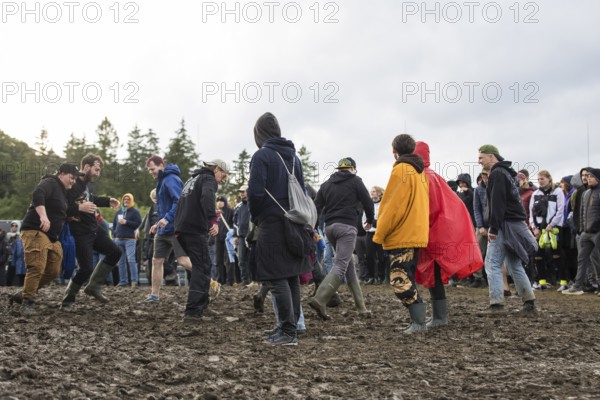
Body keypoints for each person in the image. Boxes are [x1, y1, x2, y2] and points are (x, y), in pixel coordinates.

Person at [247, 112, 312, 346]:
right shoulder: (294, 158)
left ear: (259, 134)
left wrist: (257, 217)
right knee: (291, 276)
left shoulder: (262, 155)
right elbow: (302, 191)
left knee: (275, 277)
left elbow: (255, 192)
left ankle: (287, 331)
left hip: (272, 223)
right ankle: (290, 327)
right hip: (294, 222)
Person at [413, 142, 483, 328]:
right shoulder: (432, 176)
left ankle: (439, 317)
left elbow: (429, 208)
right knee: (432, 274)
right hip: (439, 230)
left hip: (432, 232)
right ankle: (438, 316)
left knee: (433, 274)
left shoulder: (423, 177)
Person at [373, 134, 430, 334]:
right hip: (416, 233)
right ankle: (418, 321)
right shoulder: (419, 171)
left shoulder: (401, 170)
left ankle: (419, 322)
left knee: (399, 280)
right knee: (407, 277)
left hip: (402, 234)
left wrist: (379, 234)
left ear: (394, 150)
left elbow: (392, 207)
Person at [308, 157, 374, 320]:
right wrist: (370, 220)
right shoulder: (355, 181)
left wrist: (314, 227)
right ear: (352, 169)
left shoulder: (326, 184)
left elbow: (316, 207)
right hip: (347, 228)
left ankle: (361, 307)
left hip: (330, 229)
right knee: (341, 264)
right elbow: (368, 202)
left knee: (348, 266)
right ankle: (320, 298)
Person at [12, 164, 81, 314]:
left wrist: (69, 217)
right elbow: (38, 194)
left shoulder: (63, 193)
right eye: (72, 177)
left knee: (54, 269)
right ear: (62, 174)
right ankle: (27, 304)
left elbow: (57, 210)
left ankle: (24, 293)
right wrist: (43, 216)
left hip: (52, 237)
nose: (73, 181)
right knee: (37, 266)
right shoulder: (50, 182)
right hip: (35, 230)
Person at [477, 145, 537, 314]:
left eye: (481, 157)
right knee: (513, 263)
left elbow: (498, 203)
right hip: (514, 223)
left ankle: (497, 304)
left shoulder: (497, 173)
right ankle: (529, 302)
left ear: (491, 157)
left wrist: (493, 228)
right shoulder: (507, 173)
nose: (479, 161)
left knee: (492, 263)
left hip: (504, 225)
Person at [61, 154, 123, 311]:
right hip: (80, 232)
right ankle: (68, 300)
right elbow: (61, 207)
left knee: (115, 252)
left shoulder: (88, 185)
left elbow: (91, 198)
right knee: (86, 268)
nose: (98, 173)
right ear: (86, 167)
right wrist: (77, 210)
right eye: (96, 169)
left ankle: (93, 286)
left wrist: (108, 201)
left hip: (95, 228)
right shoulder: (70, 185)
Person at [174, 159, 229, 323]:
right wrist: (212, 219)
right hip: (194, 228)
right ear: (217, 169)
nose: (221, 181)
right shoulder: (208, 178)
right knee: (202, 267)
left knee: (200, 266)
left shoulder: (192, 179)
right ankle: (193, 312)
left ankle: (202, 304)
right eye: (223, 176)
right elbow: (206, 197)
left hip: (181, 227)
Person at [145, 155, 192, 302]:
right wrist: (158, 222)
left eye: (152, 169)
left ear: (160, 165)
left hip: (175, 228)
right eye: (149, 170)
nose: (151, 172)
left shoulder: (171, 179)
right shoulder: (161, 181)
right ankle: (155, 294)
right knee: (156, 260)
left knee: (183, 261)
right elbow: (163, 206)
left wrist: (166, 219)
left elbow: (179, 201)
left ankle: (210, 281)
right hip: (163, 229)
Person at [564, 168, 600, 295]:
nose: (588, 178)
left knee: (597, 260)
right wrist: (582, 228)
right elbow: (582, 214)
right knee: (582, 260)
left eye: (591, 176)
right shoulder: (585, 193)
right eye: (587, 176)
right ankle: (578, 286)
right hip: (586, 232)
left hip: (597, 232)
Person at [529, 170, 565, 290]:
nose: (540, 181)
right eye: (538, 179)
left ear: (549, 179)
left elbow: (561, 210)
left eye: (542, 179)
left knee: (557, 254)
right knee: (538, 255)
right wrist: (534, 227)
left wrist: (552, 224)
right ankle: (542, 281)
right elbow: (531, 212)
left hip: (554, 228)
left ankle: (563, 281)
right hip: (539, 228)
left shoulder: (558, 191)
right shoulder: (535, 194)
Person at [113, 193, 142, 287]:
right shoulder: (119, 211)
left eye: (128, 199)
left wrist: (126, 222)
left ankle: (134, 281)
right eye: (125, 199)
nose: (126, 201)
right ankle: (123, 281)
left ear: (131, 201)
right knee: (120, 262)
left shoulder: (135, 212)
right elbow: (114, 225)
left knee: (131, 260)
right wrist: (114, 235)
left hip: (130, 239)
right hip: (118, 239)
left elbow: (138, 223)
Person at [233, 184, 253, 285]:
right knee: (241, 259)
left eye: (243, 191)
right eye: (240, 192)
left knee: (252, 258)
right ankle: (245, 280)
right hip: (241, 236)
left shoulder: (254, 204)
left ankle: (254, 280)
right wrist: (235, 236)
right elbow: (234, 222)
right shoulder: (238, 207)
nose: (241, 194)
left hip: (252, 236)